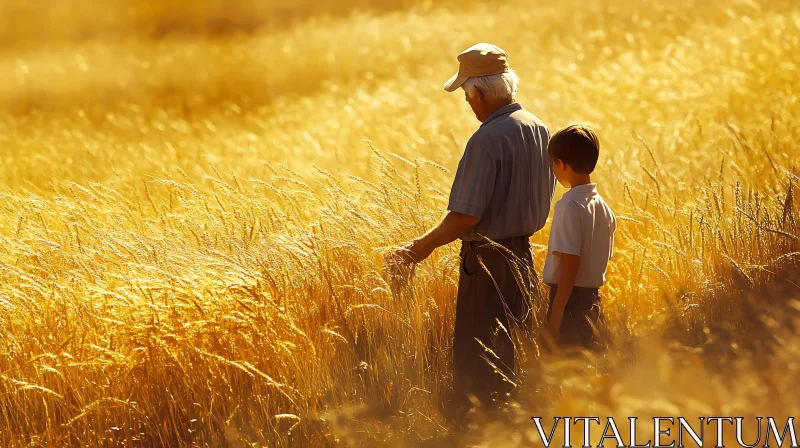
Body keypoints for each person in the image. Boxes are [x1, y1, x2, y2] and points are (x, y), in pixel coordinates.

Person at [391, 43, 555, 422]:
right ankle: (516, 429)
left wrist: (417, 249)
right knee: (513, 354)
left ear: (479, 93)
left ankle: (475, 433)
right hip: (524, 259)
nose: (468, 103)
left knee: (479, 363)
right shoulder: (537, 127)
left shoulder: (485, 140)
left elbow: (465, 216)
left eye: (467, 95)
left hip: (487, 265)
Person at [542, 124, 616, 351]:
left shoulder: (568, 206)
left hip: (569, 305)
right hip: (593, 303)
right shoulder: (604, 207)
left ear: (561, 164)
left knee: (564, 376)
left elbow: (570, 263)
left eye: (553, 163)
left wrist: (556, 318)